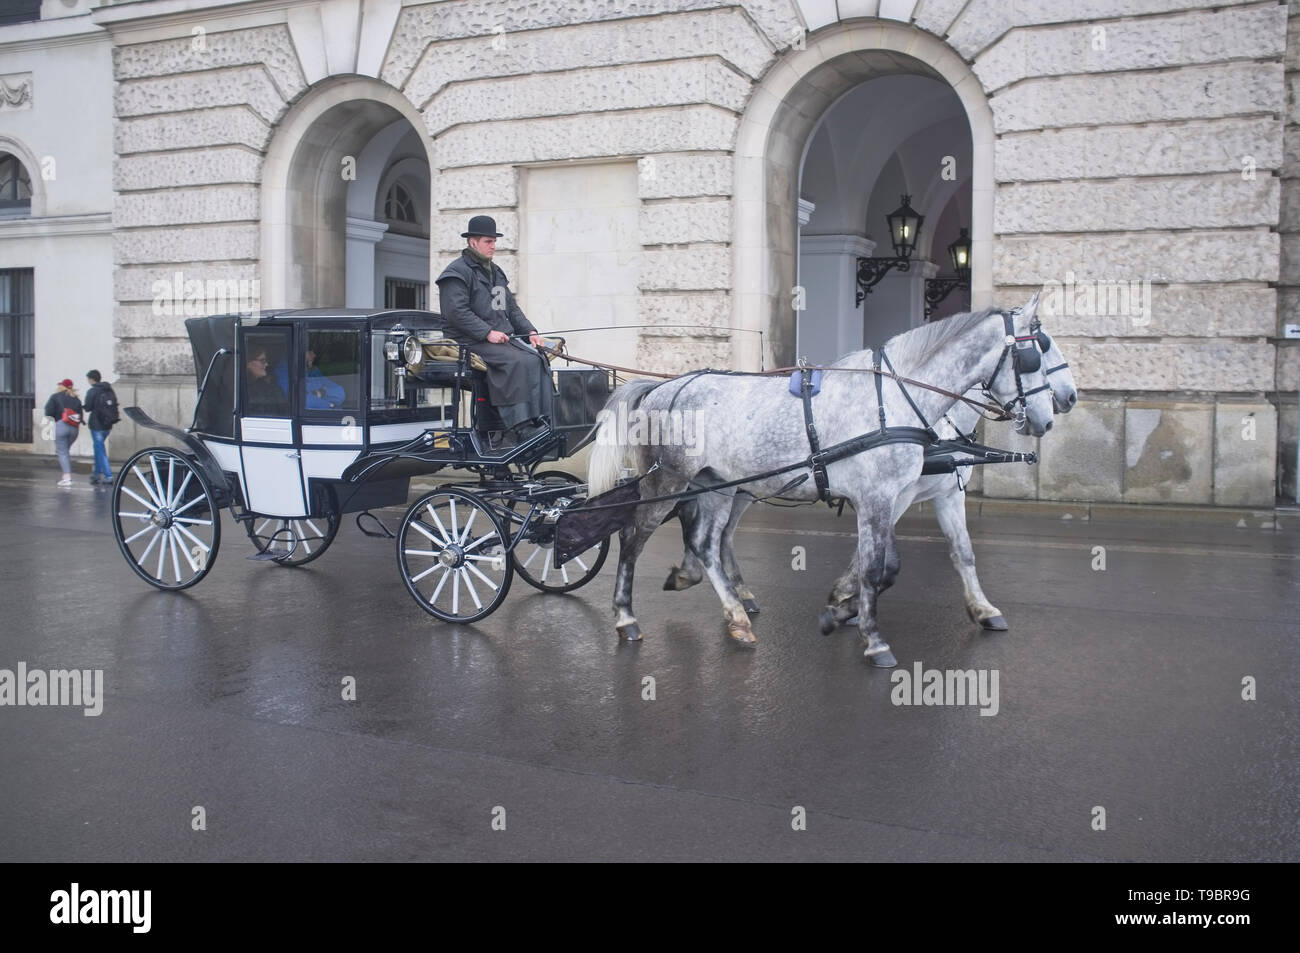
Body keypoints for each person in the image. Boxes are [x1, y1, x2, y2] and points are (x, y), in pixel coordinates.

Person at [435, 215, 554, 447]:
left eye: (494, 241)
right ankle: (518, 426)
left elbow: (510, 308)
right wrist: (487, 332)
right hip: (469, 340)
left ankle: (542, 419)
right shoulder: (456, 273)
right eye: (488, 241)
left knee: (537, 358)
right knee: (517, 362)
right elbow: (457, 313)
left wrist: (530, 331)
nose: (493, 246)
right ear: (473, 242)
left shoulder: (495, 272)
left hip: (498, 339)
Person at [43, 378, 82, 488]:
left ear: (61, 386)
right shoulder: (76, 399)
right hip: (74, 428)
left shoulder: (55, 397)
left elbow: (48, 412)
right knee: (64, 451)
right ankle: (66, 475)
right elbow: (80, 415)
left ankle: (67, 478)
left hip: (61, 426)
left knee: (63, 452)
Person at [83, 369, 118, 485]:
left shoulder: (92, 391)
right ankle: (96, 474)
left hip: (96, 424)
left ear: (91, 379)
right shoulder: (108, 389)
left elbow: (88, 407)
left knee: (100, 450)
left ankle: (108, 475)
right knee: (98, 448)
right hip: (107, 424)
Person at [245, 349, 288, 416]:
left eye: (266, 360)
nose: (266, 364)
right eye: (262, 361)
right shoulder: (241, 389)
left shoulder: (269, 385)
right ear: (249, 363)